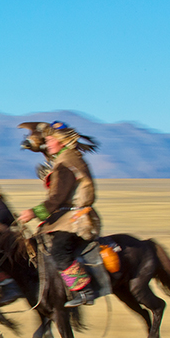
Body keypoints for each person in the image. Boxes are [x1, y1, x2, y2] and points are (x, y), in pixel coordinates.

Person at [17, 121, 102, 307]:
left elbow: (57, 198)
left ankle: (84, 291)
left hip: (75, 218)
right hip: (66, 215)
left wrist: (34, 212)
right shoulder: (66, 158)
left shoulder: (65, 163)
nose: (47, 143)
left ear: (61, 142)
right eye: (46, 140)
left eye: (49, 140)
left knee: (59, 251)